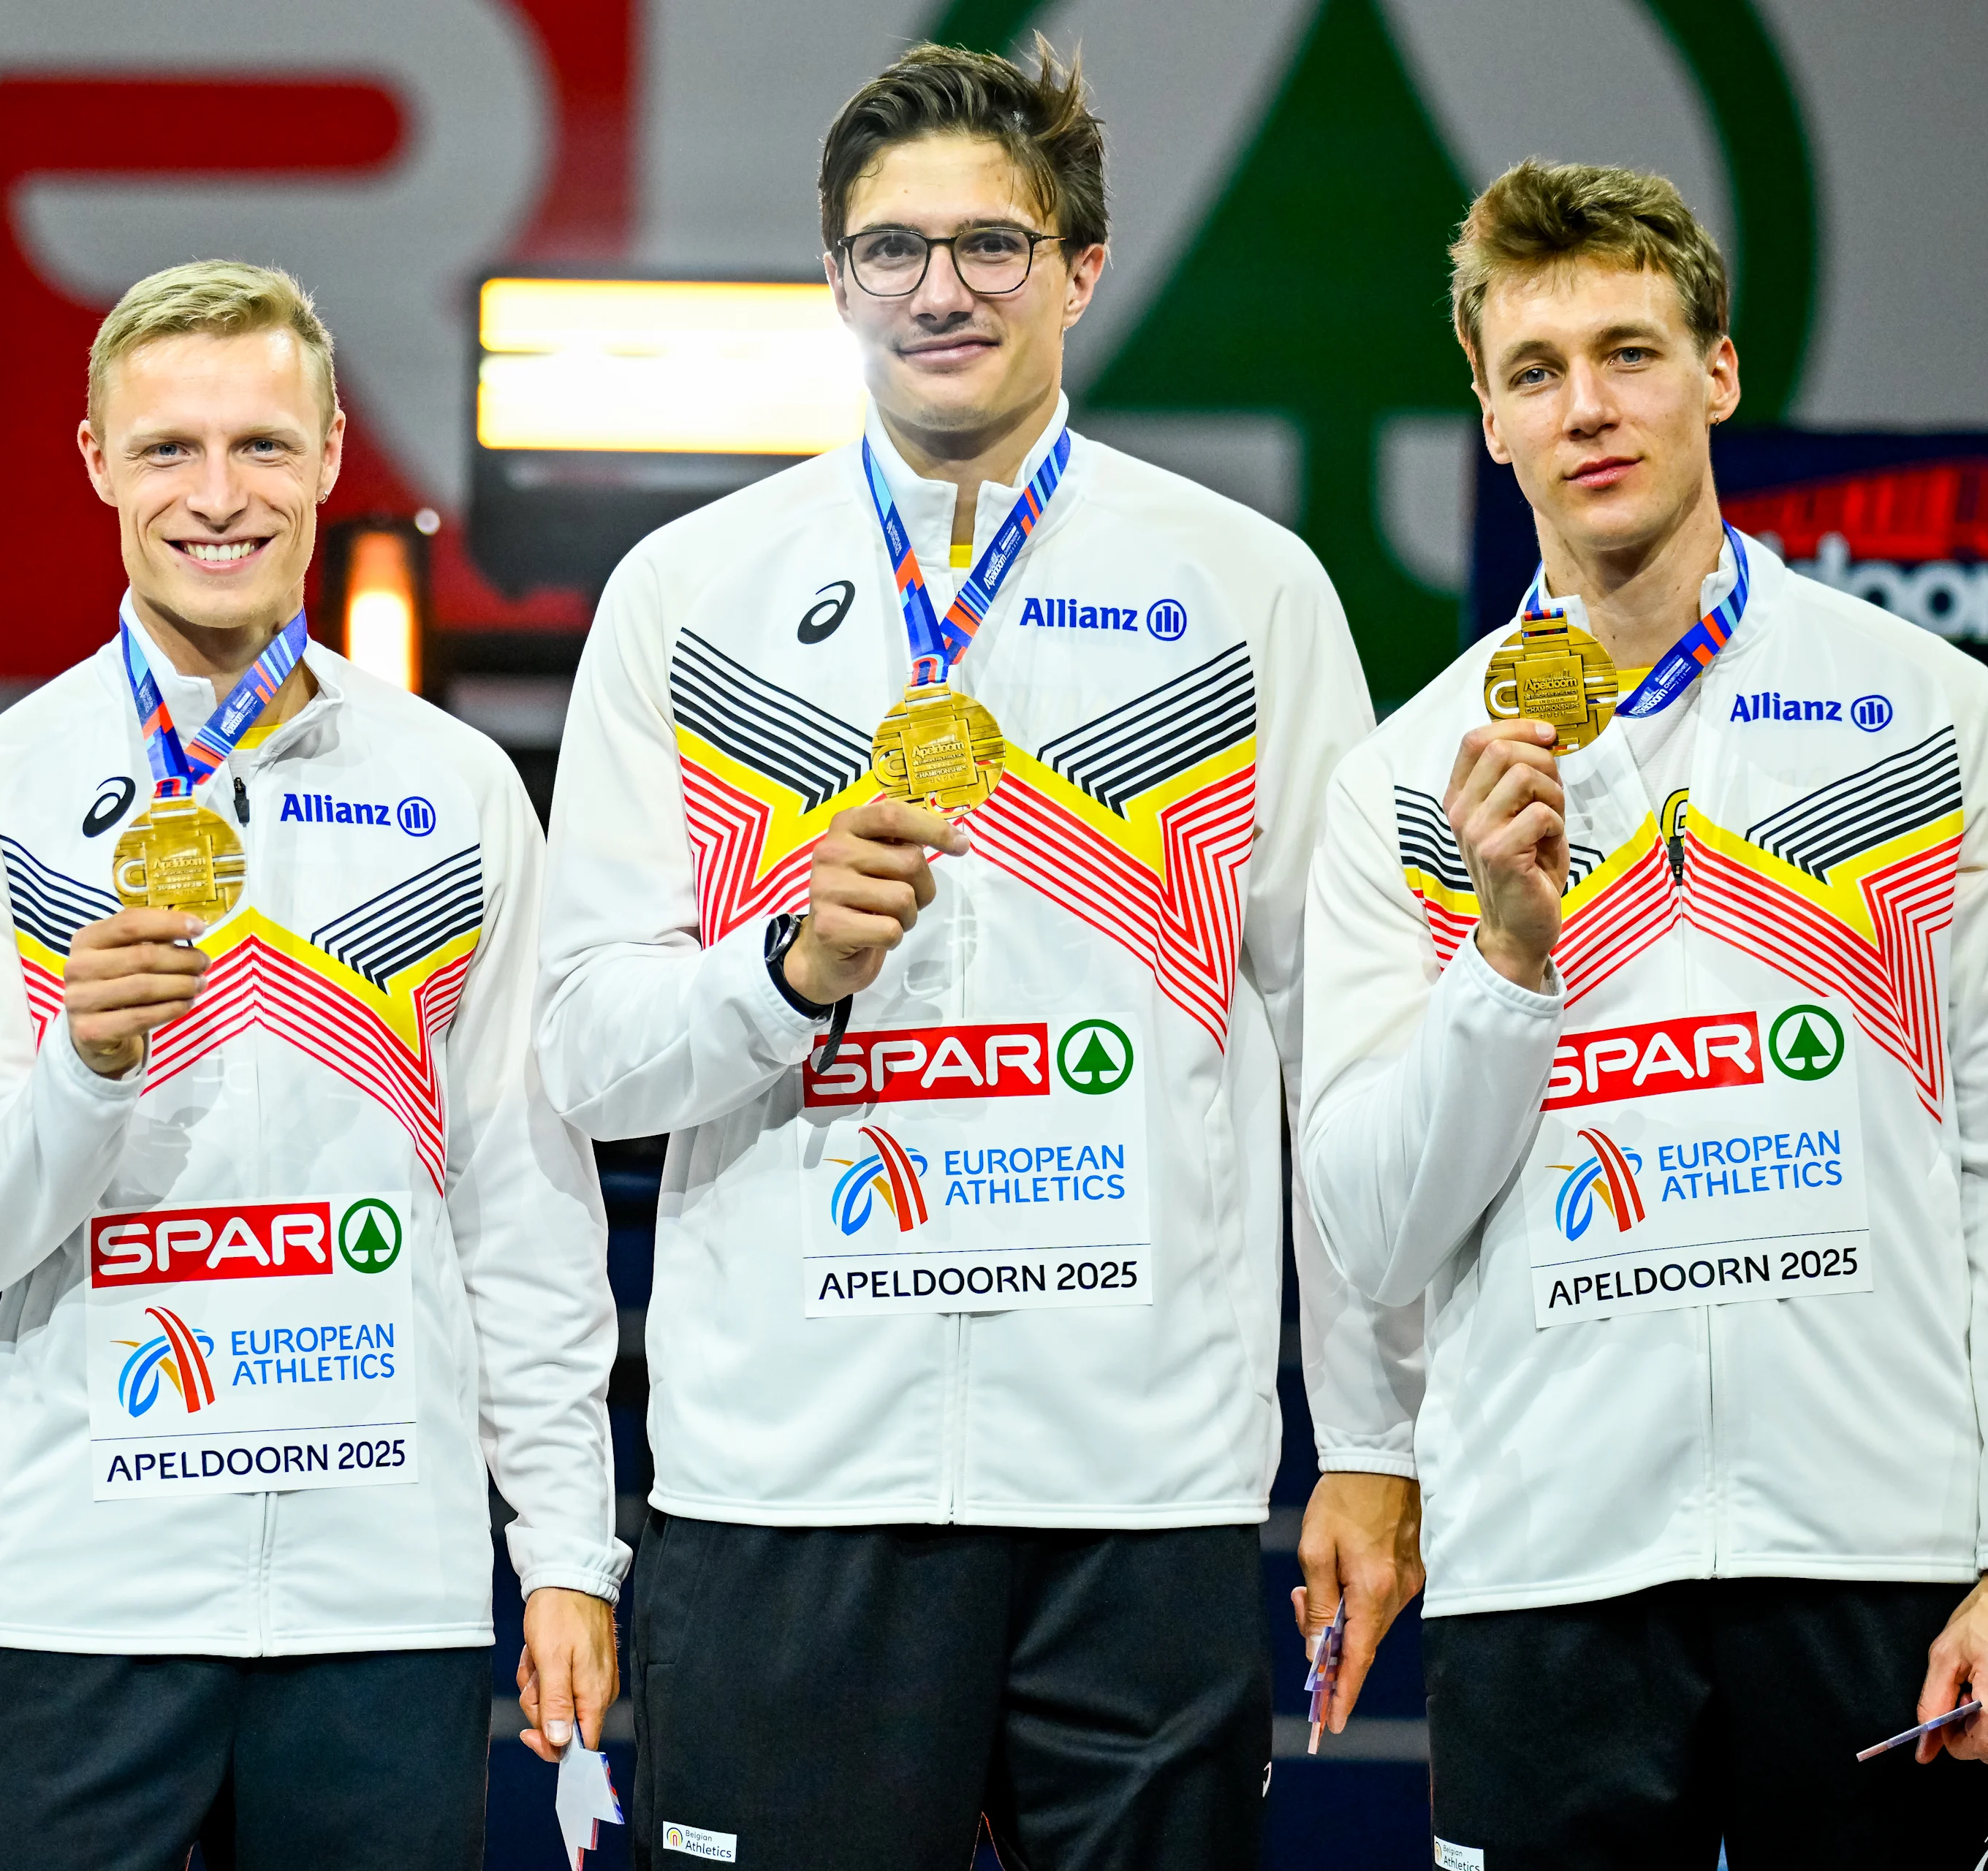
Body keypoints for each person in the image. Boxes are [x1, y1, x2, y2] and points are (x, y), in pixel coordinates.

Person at [536, 42, 1421, 1870]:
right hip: (785, 1493)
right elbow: (586, 1052)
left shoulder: (1245, 591)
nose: (940, 287)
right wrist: (772, 974)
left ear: (1084, 268)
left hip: (1141, 1496)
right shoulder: (692, 594)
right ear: (836, 281)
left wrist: (1372, 1435)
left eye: (994, 245)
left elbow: (1349, 1060)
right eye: (891, 249)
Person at [1301, 159, 1988, 1870]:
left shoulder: (1931, 720)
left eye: (1630, 352)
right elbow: (1366, 1223)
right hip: (1546, 1574)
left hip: (1880, 1566)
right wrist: (1505, 965)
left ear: (1719, 372)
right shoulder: (1397, 787)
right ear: (1489, 417)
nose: (1587, 406)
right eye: (1535, 371)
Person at [0, 259, 623, 1871]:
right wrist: (80, 1064)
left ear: (335, 450)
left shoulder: (457, 790)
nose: (217, 497)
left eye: (261, 447)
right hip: (81, 1596)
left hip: (384, 1598)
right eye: (167, 451)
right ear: (94, 461)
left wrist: (566, 1547)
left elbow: (527, 1212)